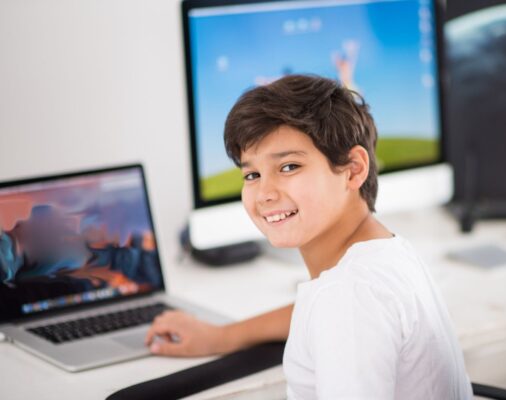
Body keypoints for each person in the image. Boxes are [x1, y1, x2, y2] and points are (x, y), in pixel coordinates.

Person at [145, 75, 472, 399]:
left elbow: (343, 309)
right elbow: (320, 312)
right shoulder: (382, 254)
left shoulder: (349, 295)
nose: (264, 194)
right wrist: (222, 337)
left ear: (353, 169)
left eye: (288, 167)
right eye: (252, 175)